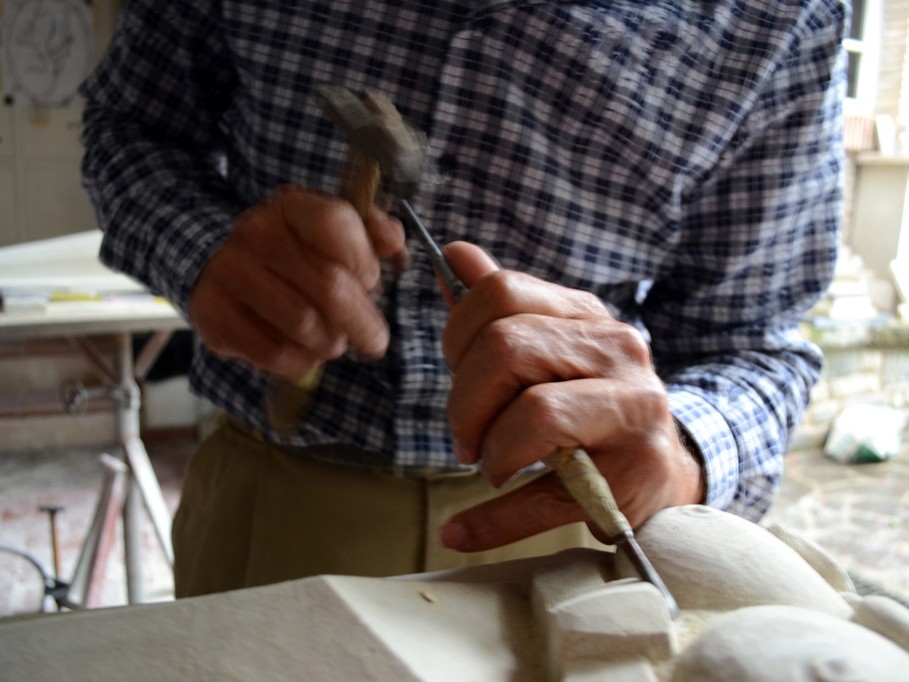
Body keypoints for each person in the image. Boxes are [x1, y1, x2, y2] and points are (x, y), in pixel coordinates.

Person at [80, 0, 846, 596]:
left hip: (567, 536)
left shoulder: (778, 16)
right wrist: (200, 249)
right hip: (270, 504)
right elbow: (131, 127)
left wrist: (679, 450)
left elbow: (756, 345)